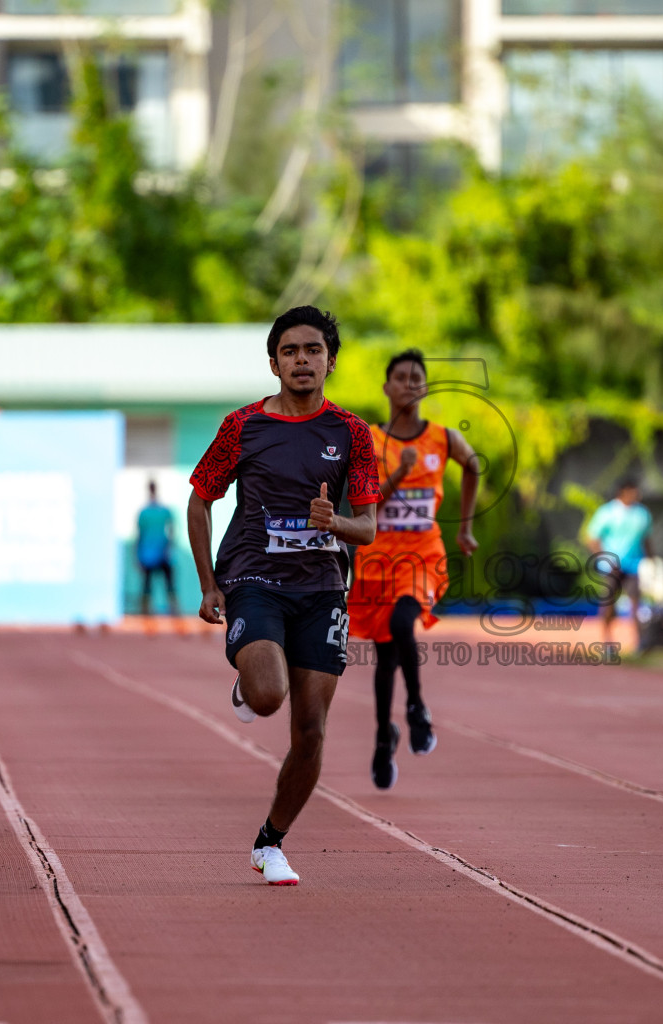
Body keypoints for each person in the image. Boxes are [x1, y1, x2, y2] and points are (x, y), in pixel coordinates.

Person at [186, 306, 378, 886]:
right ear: (273, 362)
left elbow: (367, 526)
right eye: (290, 351)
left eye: (313, 350)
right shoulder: (242, 426)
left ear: (331, 361)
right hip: (254, 578)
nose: (302, 360)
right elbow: (200, 500)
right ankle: (249, 679)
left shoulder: (351, 432)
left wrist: (334, 523)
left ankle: (271, 841)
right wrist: (208, 583)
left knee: (312, 730)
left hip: (322, 588)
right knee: (269, 696)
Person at [350, 349, 480, 790]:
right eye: (400, 377)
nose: (409, 384)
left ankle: (417, 708)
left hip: (422, 557)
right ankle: (383, 739)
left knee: (406, 620)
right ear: (387, 387)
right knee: (385, 657)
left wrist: (464, 528)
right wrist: (398, 475)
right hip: (377, 559)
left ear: (425, 387)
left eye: (416, 378)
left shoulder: (441, 439)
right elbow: (363, 507)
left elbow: (474, 465)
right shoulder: (369, 440)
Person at [583, 481, 653, 652]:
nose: (637, 495)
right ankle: (607, 642)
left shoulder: (642, 514)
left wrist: (652, 559)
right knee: (608, 604)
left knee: (636, 603)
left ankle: (639, 643)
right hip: (611, 567)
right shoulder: (607, 512)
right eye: (633, 491)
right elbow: (592, 538)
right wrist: (605, 559)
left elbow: (646, 539)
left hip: (634, 565)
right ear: (623, 492)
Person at [135, 480, 179, 616]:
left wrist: (137, 555)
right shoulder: (161, 511)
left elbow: (139, 536)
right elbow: (171, 531)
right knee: (159, 586)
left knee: (152, 586)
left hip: (152, 555)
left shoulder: (145, 512)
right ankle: (169, 613)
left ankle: (148, 613)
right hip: (156, 554)